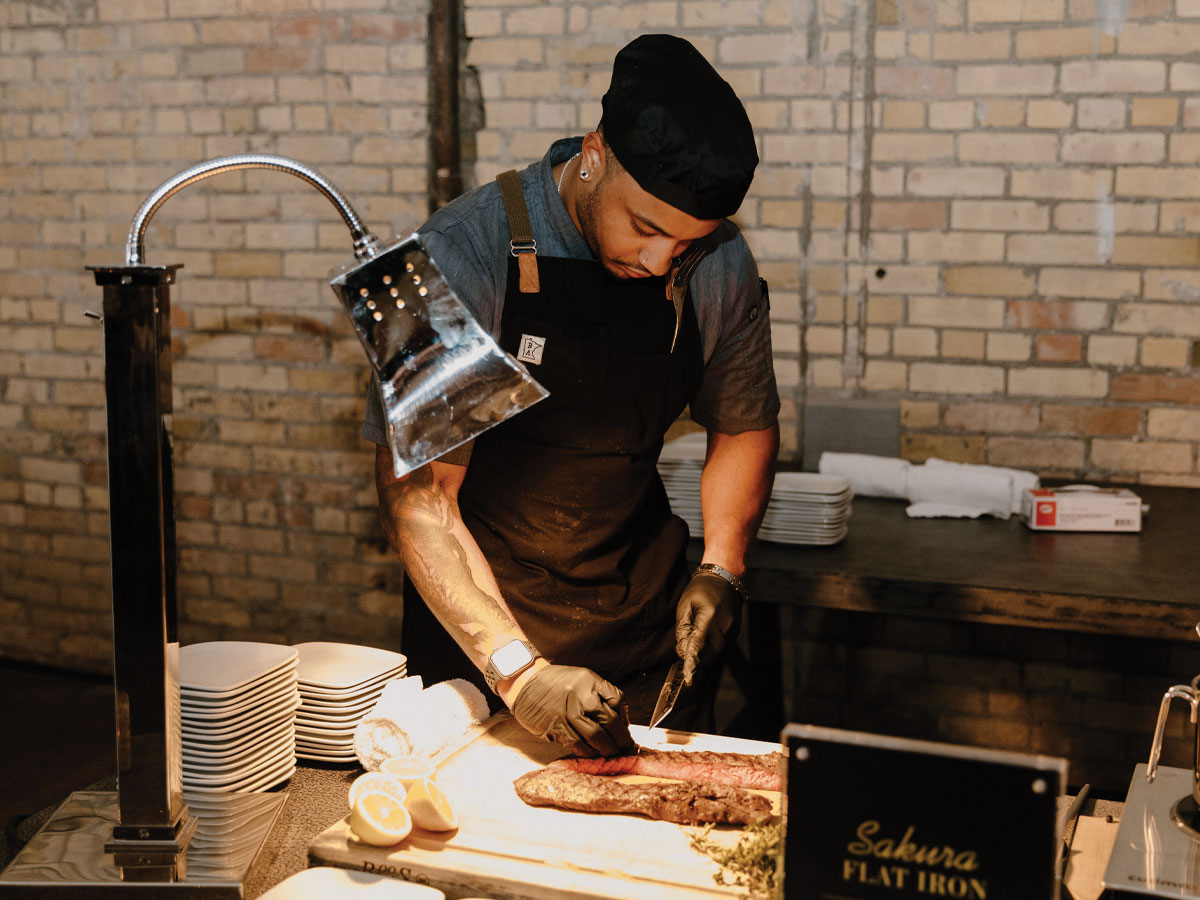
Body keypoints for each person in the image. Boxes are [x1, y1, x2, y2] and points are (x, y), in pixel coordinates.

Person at [362, 34, 779, 758]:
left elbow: (743, 425)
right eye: (646, 228)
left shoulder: (723, 264)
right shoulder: (453, 253)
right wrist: (520, 673)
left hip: (641, 633)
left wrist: (723, 566)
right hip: (480, 648)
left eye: (684, 246)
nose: (658, 262)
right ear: (592, 154)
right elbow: (421, 501)